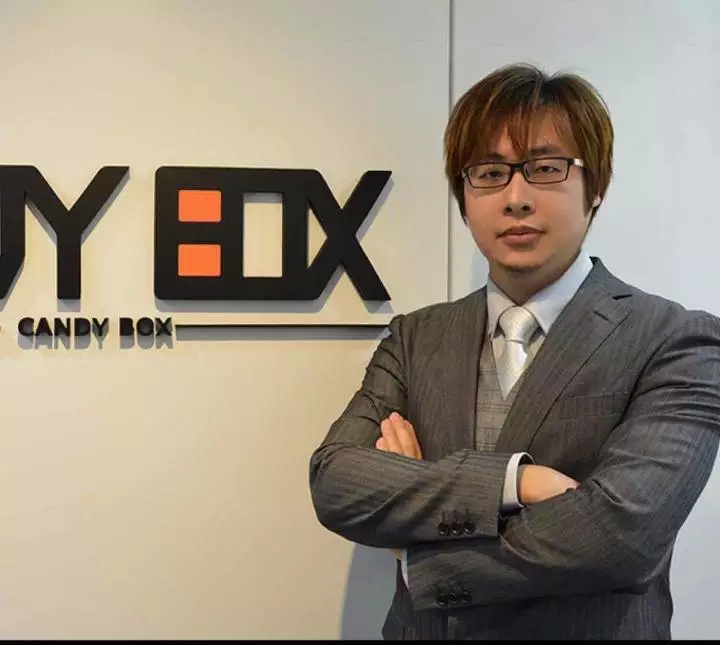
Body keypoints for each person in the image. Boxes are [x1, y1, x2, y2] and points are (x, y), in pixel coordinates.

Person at [308, 62, 720, 640]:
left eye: (546, 169)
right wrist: (515, 483)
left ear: (596, 187)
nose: (516, 198)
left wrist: (418, 553)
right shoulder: (415, 337)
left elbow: (621, 537)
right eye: (490, 173)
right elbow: (337, 482)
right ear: (463, 195)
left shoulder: (676, 340)